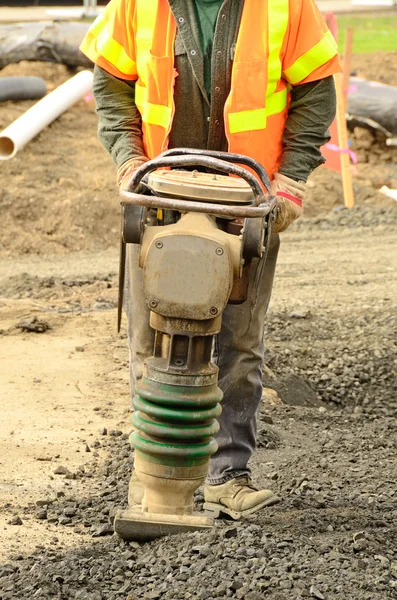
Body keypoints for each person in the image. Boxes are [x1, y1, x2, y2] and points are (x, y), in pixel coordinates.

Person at [80, 0, 340, 519]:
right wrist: (130, 161)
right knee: (151, 341)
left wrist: (289, 180)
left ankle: (227, 475)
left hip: (246, 201)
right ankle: (153, 475)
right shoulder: (136, 4)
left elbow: (315, 93)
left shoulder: (285, 6)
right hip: (160, 196)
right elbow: (109, 82)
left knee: (239, 345)